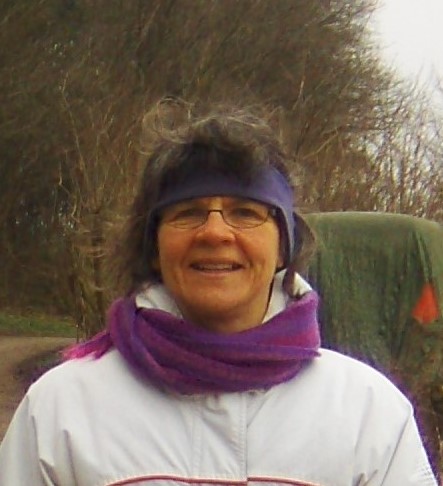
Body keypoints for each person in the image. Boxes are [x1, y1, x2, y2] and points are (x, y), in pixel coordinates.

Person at [0, 100, 438, 486]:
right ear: (153, 247)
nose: (214, 232)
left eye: (245, 212)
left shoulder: (368, 413)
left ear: (284, 246)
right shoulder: (62, 408)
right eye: (188, 212)